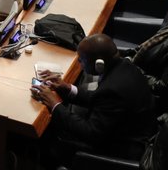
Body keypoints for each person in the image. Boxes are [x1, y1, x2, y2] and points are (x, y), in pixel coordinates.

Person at [32, 34, 156, 164]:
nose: (79, 62)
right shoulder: (125, 66)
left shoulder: (113, 89)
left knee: (47, 137)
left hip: (122, 148)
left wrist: (55, 104)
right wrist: (67, 88)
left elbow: (90, 133)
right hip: (130, 131)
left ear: (99, 64)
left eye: (82, 60)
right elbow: (100, 99)